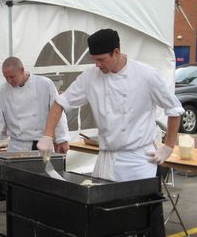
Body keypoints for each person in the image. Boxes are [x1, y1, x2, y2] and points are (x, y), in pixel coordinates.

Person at [37, 29, 184, 236]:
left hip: (138, 160)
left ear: (116, 52)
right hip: (106, 159)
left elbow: (174, 110)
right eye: (94, 60)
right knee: (104, 219)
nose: (97, 64)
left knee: (142, 219)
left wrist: (168, 146)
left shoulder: (146, 75)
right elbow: (61, 102)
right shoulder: (90, 77)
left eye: (101, 59)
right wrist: (47, 135)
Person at [0, 56, 70, 152]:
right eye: (6, 77)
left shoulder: (44, 84)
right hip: (16, 147)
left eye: (12, 77)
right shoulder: (1, 92)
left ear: (21, 70)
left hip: (42, 144)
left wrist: (62, 139)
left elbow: (57, 112)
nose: (9, 81)